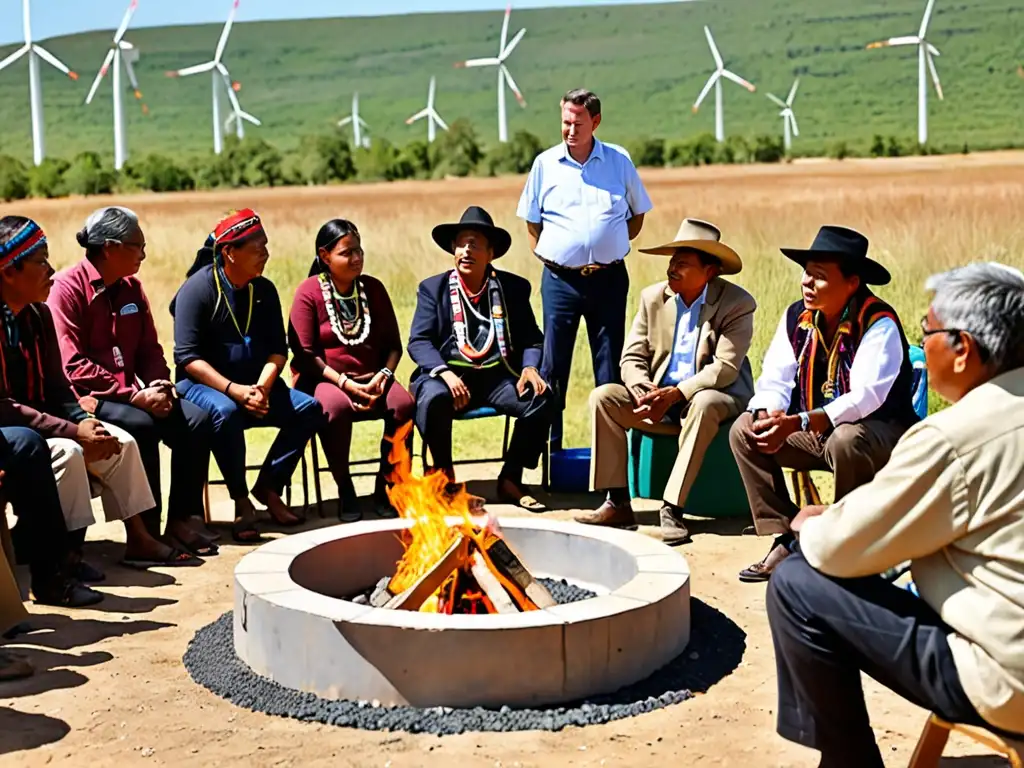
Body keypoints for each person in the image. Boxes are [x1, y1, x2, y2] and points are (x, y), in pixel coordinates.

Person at [766, 262, 1024, 767]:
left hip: (1008, 679)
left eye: (927, 332)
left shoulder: (956, 434)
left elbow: (838, 548)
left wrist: (818, 522)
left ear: (962, 348)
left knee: (797, 582)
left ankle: (849, 761)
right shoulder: (799, 319)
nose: (923, 347)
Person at [0, 215, 199, 573]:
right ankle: (65, 556)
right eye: (40, 261)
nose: (50, 269)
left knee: (120, 442)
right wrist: (77, 428)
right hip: (24, 426)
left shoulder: (37, 315)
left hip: (52, 416)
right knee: (75, 450)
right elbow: (61, 377)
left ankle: (145, 535)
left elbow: (60, 386)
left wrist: (86, 421)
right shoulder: (67, 290)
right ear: (9, 272)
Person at [729, 226, 918, 583]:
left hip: (879, 435)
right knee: (744, 430)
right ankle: (788, 535)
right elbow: (775, 378)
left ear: (852, 283)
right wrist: (768, 413)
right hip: (815, 430)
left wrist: (799, 422)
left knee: (846, 438)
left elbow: (866, 397)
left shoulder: (879, 324)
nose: (807, 284)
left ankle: (844, 542)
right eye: (806, 274)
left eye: (820, 277)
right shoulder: (796, 318)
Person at [48, 207, 218, 557]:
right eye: (137, 245)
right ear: (110, 248)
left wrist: (161, 385)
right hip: (91, 399)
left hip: (136, 393)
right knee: (140, 423)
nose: (143, 253)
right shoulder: (66, 289)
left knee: (197, 420)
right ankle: (145, 535)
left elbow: (149, 350)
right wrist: (135, 396)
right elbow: (73, 366)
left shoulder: (132, 289)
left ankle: (181, 522)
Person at [576, 219, 755, 544]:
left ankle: (672, 507)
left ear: (710, 271)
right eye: (672, 262)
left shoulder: (736, 304)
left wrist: (676, 394)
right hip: (658, 396)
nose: (672, 269)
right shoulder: (653, 298)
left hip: (715, 397)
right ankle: (617, 501)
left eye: (683, 264)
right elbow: (631, 356)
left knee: (703, 402)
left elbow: (725, 369)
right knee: (604, 397)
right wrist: (641, 387)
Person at [171, 209, 322, 542]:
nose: (266, 255)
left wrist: (262, 388)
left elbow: (279, 350)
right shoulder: (197, 290)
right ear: (230, 253)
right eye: (258, 249)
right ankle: (241, 501)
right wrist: (235, 390)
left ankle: (269, 486)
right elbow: (187, 357)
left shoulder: (264, 290)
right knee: (224, 413)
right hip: (202, 385)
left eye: (266, 247)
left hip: (256, 385)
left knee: (308, 409)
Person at [516, 88, 653, 450]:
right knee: (553, 367)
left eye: (578, 122)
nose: (570, 129)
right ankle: (551, 451)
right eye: (565, 122)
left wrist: (611, 243)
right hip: (560, 280)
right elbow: (532, 224)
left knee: (609, 367)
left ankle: (609, 458)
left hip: (609, 279)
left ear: (596, 121)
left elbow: (637, 214)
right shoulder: (545, 164)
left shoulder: (618, 160)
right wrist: (552, 258)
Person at [408, 206, 551, 510]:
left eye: (475, 243)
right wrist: (444, 373)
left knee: (541, 397)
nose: (467, 250)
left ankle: (511, 477)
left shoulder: (512, 289)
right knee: (433, 400)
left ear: (491, 253)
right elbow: (418, 341)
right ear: (453, 250)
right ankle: (444, 482)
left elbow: (532, 337)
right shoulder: (433, 289)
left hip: (495, 377)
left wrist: (529, 367)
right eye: (461, 243)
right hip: (446, 377)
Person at [288, 219, 414, 522]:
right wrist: (345, 383)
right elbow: (304, 354)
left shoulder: (373, 288)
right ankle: (345, 487)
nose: (356, 259)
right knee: (334, 409)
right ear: (324, 255)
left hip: (374, 377)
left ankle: (388, 486)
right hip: (323, 378)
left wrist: (383, 376)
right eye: (347, 253)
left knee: (404, 405)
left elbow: (394, 346)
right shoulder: (308, 292)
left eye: (359, 251)